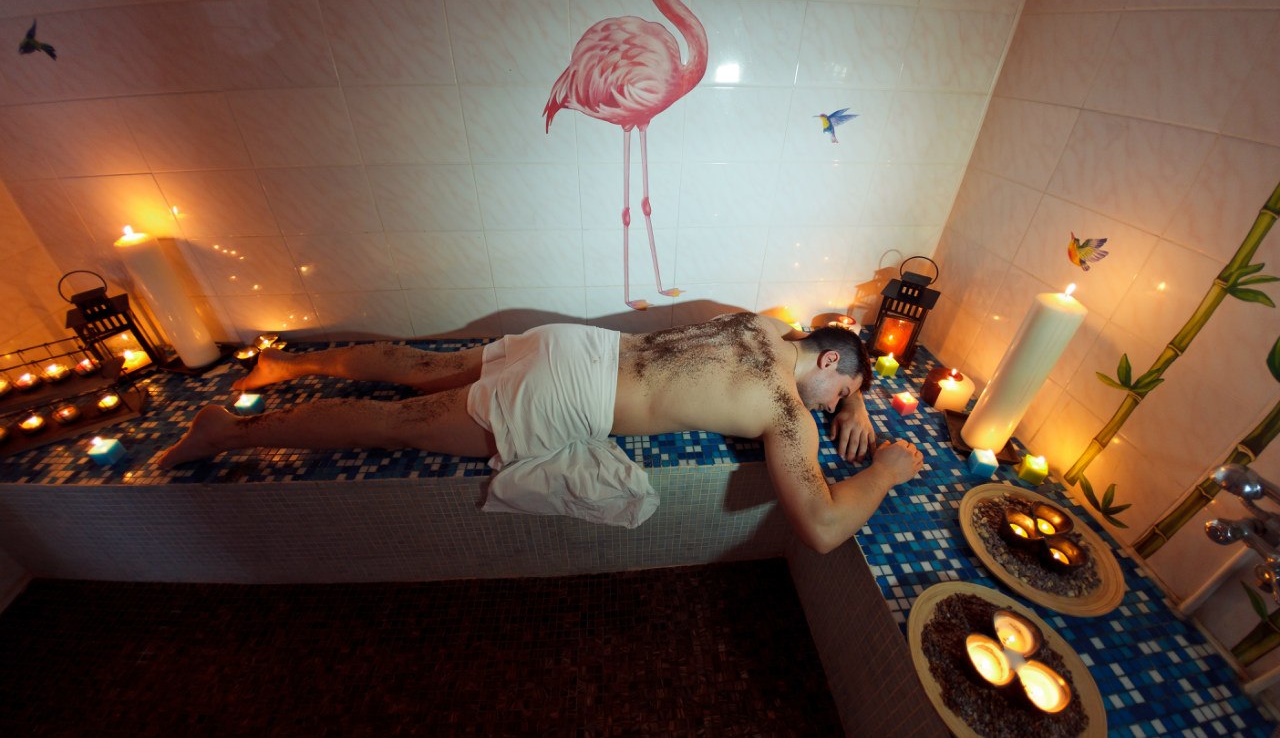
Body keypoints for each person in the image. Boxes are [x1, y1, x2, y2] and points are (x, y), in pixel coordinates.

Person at [158, 312, 923, 554]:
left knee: (422, 367)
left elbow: (827, 338)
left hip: (575, 344)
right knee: (396, 424)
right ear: (829, 363)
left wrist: (855, 400)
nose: (831, 408)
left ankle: (286, 363)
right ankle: (228, 432)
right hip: (567, 393)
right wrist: (884, 468)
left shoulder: (767, 322)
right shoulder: (784, 412)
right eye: (839, 393)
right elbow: (823, 526)